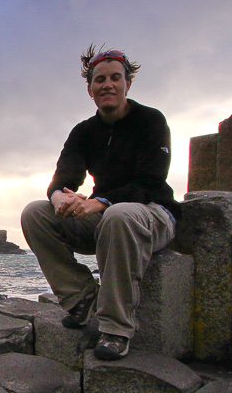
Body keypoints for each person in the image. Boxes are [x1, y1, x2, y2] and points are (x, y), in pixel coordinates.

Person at [21, 46, 181, 361]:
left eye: (115, 78)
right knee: (34, 212)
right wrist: (60, 197)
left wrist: (99, 203)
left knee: (118, 215)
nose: (107, 84)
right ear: (90, 89)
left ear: (127, 84)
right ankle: (81, 299)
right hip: (106, 216)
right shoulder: (84, 132)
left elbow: (150, 182)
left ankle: (116, 328)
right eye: (100, 80)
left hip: (152, 212)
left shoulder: (151, 120)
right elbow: (61, 179)